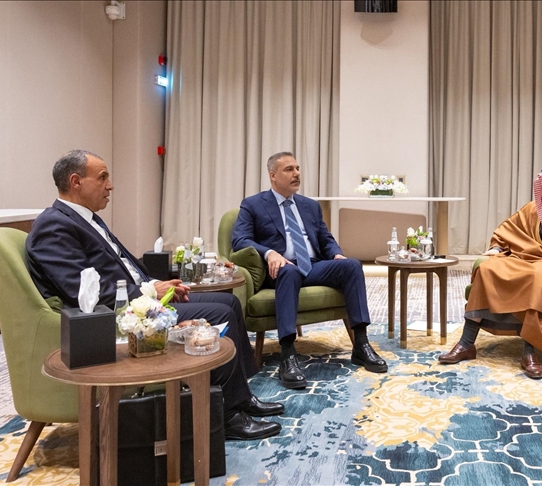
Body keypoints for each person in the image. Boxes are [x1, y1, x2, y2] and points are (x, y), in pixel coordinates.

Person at [26, 149, 284, 441]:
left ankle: (240, 396)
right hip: (118, 316)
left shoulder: (87, 219)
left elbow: (124, 270)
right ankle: (228, 417)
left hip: (142, 299)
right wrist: (149, 290)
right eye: (102, 177)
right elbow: (82, 293)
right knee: (220, 312)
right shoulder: (54, 226)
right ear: (76, 181)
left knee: (230, 302)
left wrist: (160, 284)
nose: (110, 185)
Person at [231, 151, 388, 389]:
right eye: (289, 169)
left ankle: (361, 344)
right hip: (280, 271)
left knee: (352, 265)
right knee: (290, 271)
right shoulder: (253, 204)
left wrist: (335, 254)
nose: (296, 174)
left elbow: (325, 238)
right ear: (273, 175)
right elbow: (240, 240)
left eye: (297, 168)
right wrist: (269, 253)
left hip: (313, 265)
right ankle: (287, 354)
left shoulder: (309, 206)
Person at [438, 164, 542, 379]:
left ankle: (529, 352)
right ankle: (466, 343)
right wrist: (496, 249)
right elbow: (508, 232)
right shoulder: (533, 209)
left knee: (537, 277)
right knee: (486, 268)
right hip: (524, 256)